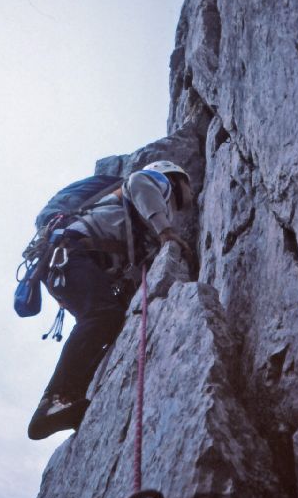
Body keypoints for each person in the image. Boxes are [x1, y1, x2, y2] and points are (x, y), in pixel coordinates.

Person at [27, 160, 193, 440]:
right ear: (173, 177)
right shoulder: (154, 181)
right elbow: (140, 182)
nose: (192, 194)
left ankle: (68, 398)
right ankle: (53, 400)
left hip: (69, 261)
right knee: (102, 316)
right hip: (71, 254)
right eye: (188, 184)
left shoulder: (133, 220)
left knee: (107, 320)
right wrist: (166, 231)